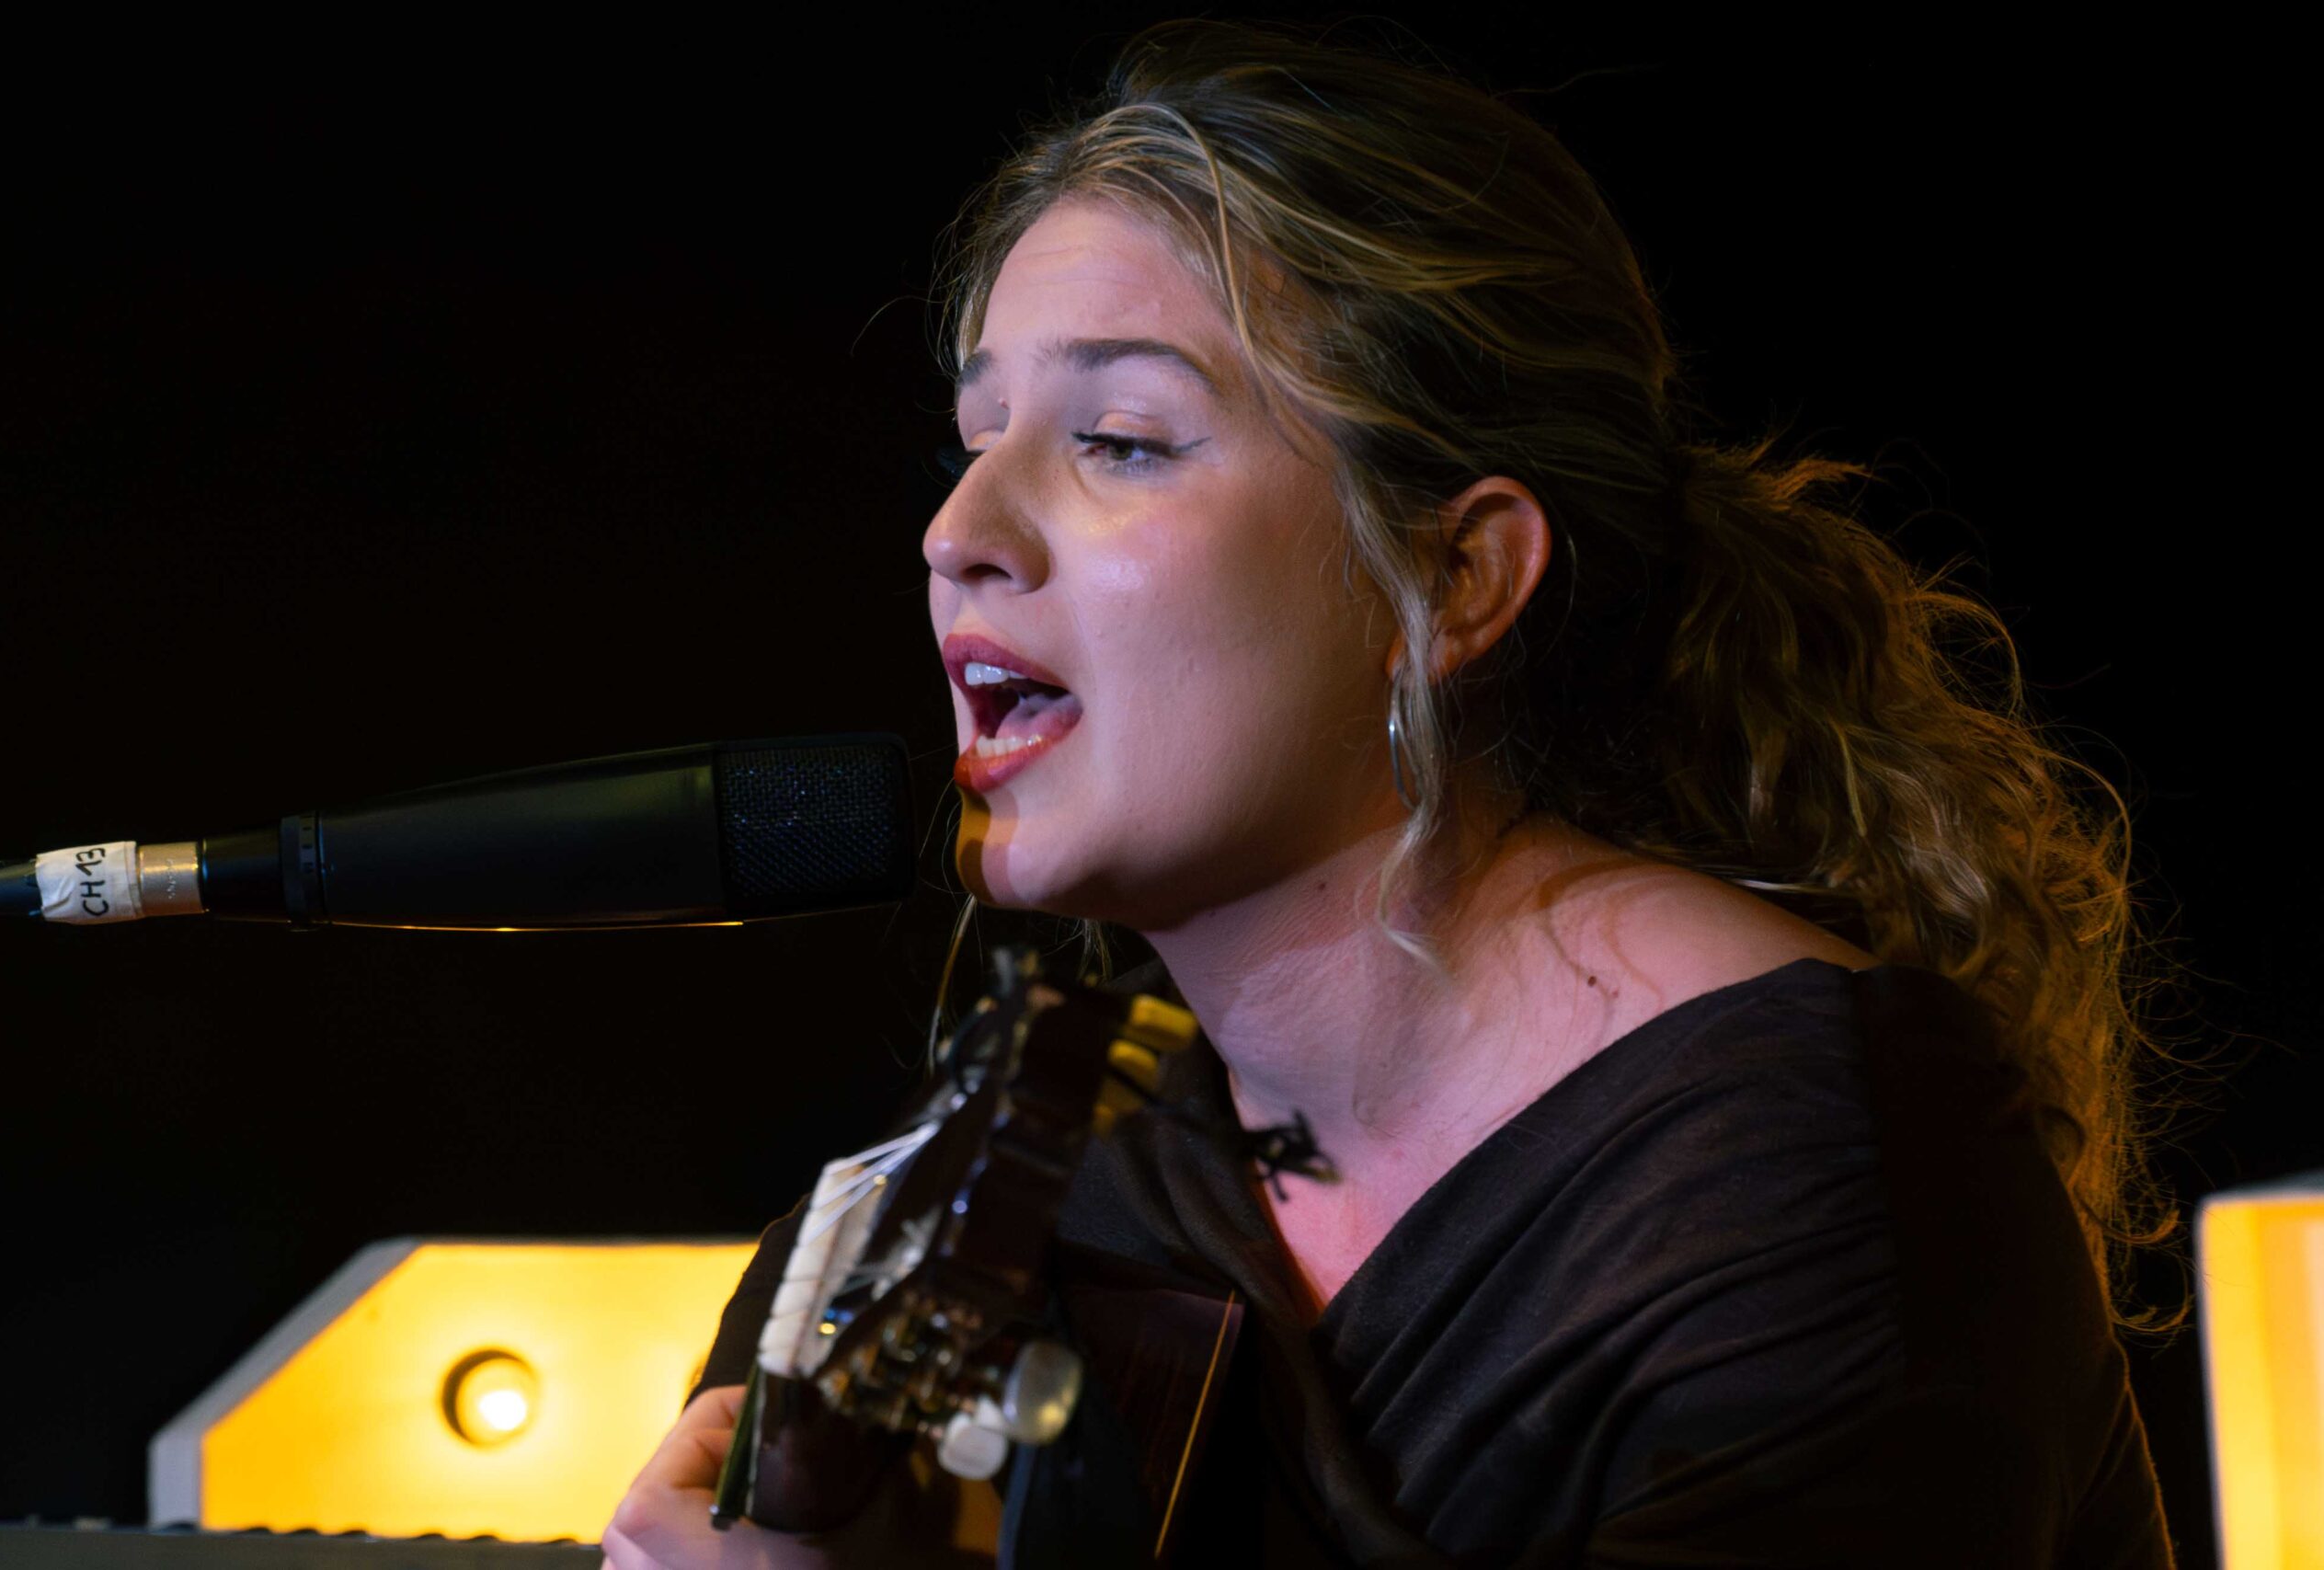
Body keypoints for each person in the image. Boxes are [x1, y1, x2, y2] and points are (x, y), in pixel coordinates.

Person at [602, 19, 2179, 1568]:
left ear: (1454, 576)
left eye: (1121, 440)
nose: (957, 532)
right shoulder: (1037, 1191)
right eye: (976, 437)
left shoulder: (1814, 1177)